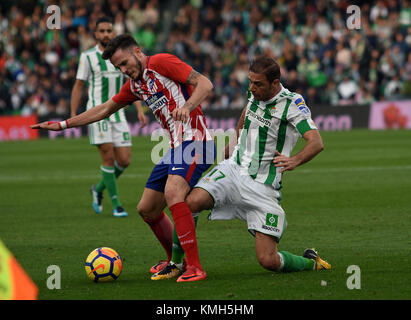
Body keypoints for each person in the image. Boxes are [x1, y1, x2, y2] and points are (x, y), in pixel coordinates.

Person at [31, 34, 216, 283]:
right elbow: (105, 109)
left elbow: (205, 84)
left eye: (124, 63)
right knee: (147, 209)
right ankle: (176, 262)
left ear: (137, 52)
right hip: (176, 147)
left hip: (197, 142)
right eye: (118, 67)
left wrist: (188, 106)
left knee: (174, 193)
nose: (123, 69)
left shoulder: (161, 62)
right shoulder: (135, 85)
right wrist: (65, 124)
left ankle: (195, 267)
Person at [182, 55, 331, 274]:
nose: (252, 88)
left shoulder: (291, 103)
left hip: (263, 187)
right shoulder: (254, 94)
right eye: (250, 82)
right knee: (190, 202)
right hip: (234, 170)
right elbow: (244, 119)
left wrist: (295, 160)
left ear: (275, 83)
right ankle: (180, 263)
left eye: (258, 84)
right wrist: (232, 147)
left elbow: (316, 141)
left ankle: (311, 262)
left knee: (269, 260)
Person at [71, 16, 147, 217]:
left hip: (118, 114)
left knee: (124, 160)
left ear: (113, 33)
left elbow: (130, 84)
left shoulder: (120, 57)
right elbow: (79, 85)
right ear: (95, 34)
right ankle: (116, 205)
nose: (105, 34)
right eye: (102, 31)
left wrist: (139, 110)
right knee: (108, 157)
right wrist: (73, 114)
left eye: (109, 31)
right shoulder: (87, 57)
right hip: (98, 114)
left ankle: (98, 189)